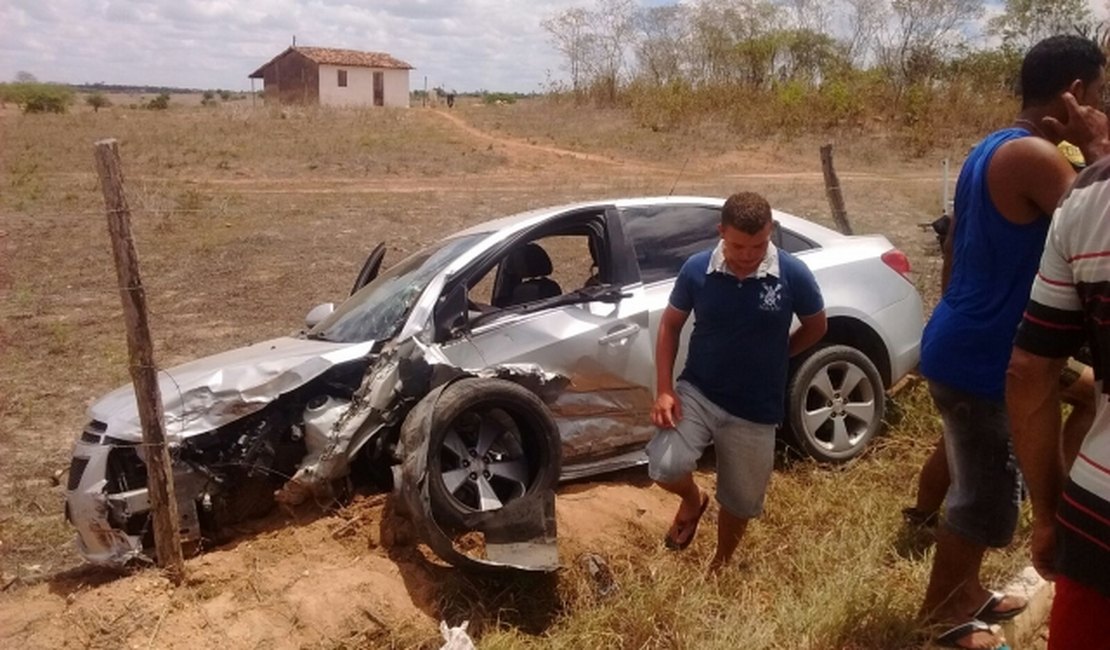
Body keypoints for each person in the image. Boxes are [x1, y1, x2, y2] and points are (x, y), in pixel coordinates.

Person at [913, 34, 1110, 649]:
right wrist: (1098, 146)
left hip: (972, 338)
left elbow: (951, 248)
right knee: (987, 499)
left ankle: (975, 579)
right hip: (989, 356)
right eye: (1100, 95)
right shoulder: (1040, 159)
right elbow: (1096, 217)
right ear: (1076, 95)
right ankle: (942, 609)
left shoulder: (989, 147)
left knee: (1075, 398)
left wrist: (955, 311)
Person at [645, 191, 827, 574]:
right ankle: (693, 500)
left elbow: (816, 326)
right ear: (721, 232)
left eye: (759, 244)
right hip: (699, 391)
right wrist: (664, 388)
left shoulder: (792, 274)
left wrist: (782, 355)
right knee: (665, 465)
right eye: (738, 245)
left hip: (757, 409)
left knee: (741, 502)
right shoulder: (697, 269)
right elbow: (671, 324)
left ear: (771, 231)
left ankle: (720, 563)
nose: (748, 254)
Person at [1007, 156, 1110, 650]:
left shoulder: (1090, 194)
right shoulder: (1039, 164)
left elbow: (1030, 371)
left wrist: (1051, 514)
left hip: (1099, 519)